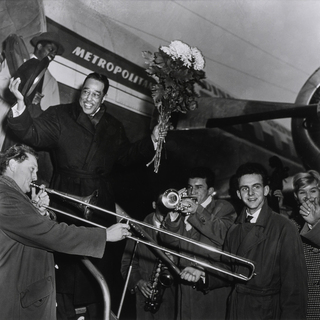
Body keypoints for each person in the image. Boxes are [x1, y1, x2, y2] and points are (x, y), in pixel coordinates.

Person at [7, 72, 165, 319]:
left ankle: (93, 311)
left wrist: (152, 140)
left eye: (96, 94)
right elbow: (32, 134)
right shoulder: (60, 115)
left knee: (98, 263)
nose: (89, 98)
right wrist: (19, 105)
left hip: (100, 199)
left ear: (104, 97)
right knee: (67, 259)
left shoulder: (113, 126)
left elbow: (125, 156)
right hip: (66, 198)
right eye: (86, 92)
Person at [0, 143, 131, 320]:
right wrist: (105, 235)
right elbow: (50, 234)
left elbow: (31, 232)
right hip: (17, 298)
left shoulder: (13, 196)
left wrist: (39, 212)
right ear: (13, 164)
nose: (35, 176)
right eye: (31, 169)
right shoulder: (4, 196)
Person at [189, 162, 308, 319]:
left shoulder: (284, 227)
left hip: (267, 313)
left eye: (256, 187)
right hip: (237, 310)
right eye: (245, 188)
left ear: (266, 190)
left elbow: (295, 289)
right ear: (238, 194)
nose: (250, 193)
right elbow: (230, 269)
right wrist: (203, 274)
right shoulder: (235, 229)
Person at [161, 167, 237, 320]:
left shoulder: (223, 208)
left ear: (210, 190)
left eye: (198, 187)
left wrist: (196, 210)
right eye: (189, 187)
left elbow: (224, 235)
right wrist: (174, 217)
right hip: (185, 287)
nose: (192, 191)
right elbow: (167, 241)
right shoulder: (183, 210)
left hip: (210, 289)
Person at [121, 193, 177, 320]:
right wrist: (138, 282)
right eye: (162, 205)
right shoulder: (138, 230)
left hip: (174, 301)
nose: (166, 211)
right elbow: (127, 265)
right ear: (154, 205)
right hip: (146, 302)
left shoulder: (180, 230)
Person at [293, 170, 320, 319]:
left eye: (313, 190)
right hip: (304, 307)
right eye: (302, 192)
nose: (309, 196)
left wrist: (315, 224)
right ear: (296, 196)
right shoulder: (290, 225)